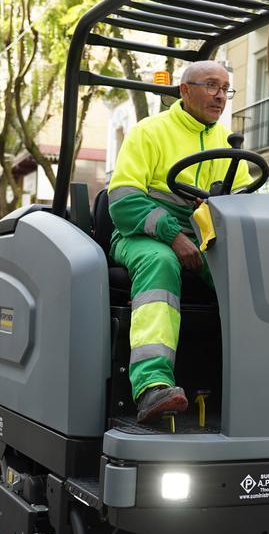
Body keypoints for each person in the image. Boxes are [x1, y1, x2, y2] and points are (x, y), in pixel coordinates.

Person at [107, 60, 251, 422]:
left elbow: (245, 198)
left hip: (199, 240)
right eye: (212, 86)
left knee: (244, 277)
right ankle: (151, 386)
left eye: (225, 89)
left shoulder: (224, 142)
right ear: (185, 90)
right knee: (161, 262)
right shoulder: (149, 132)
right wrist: (173, 236)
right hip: (139, 235)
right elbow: (123, 201)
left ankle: (255, 381)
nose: (220, 96)